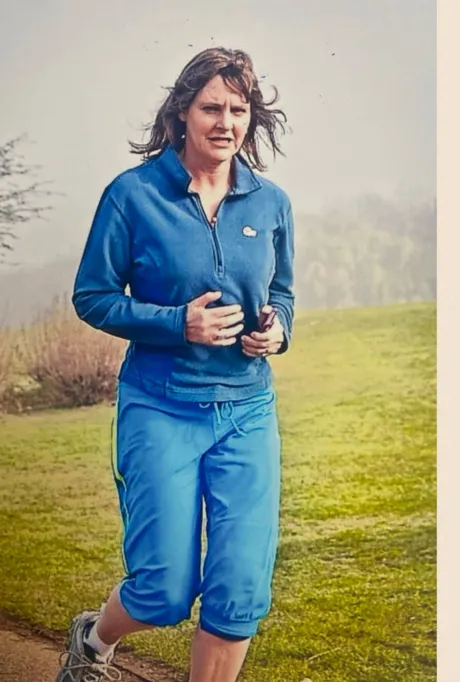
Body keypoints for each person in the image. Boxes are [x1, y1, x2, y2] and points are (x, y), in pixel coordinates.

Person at [56, 47, 294, 682]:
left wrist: (276, 330)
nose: (226, 122)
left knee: (240, 591)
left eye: (238, 110)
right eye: (211, 107)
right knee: (162, 591)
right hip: (161, 405)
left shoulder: (270, 203)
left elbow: (284, 294)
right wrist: (175, 322)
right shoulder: (132, 196)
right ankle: (93, 640)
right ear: (181, 114)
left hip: (246, 410)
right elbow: (92, 296)